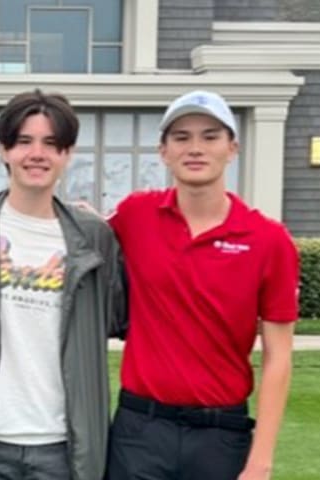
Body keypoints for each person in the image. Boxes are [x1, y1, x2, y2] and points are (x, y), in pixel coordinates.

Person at [0, 90, 127, 480]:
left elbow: (115, 318)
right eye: (24, 141)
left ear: (67, 154)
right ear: (3, 149)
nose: (37, 154)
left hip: (63, 448)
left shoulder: (93, 236)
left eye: (52, 144)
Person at [105, 90, 299, 480]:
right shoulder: (135, 215)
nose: (195, 148)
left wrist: (260, 460)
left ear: (232, 148)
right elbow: (67, 233)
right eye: (182, 137)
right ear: (164, 151)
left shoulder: (269, 240)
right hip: (140, 429)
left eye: (210, 136)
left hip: (220, 436)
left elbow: (278, 358)